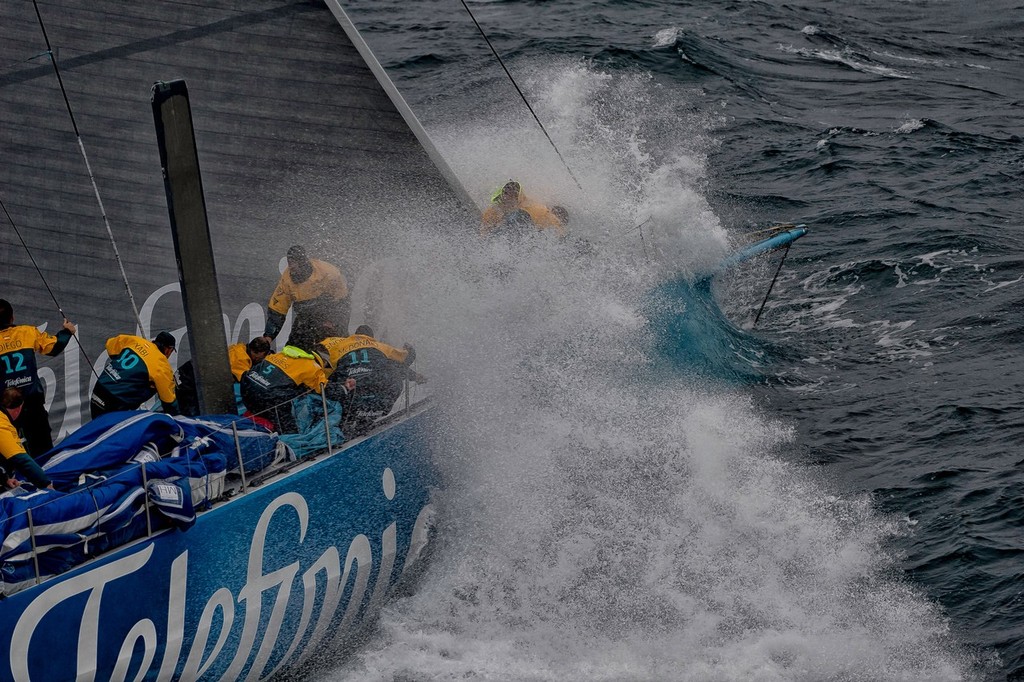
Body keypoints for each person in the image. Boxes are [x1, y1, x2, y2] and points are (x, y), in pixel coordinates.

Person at [0, 299, 77, 457]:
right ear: (12, 318)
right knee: (42, 450)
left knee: (7, 450)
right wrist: (67, 331)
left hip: (4, 407)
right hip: (32, 401)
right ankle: (45, 479)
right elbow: (53, 348)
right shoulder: (28, 332)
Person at [320, 325, 426, 437]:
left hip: (352, 390)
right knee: (393, 374)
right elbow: (403, 360)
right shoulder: (379, 346)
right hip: (374, 386)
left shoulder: (339, 345)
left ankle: (348, 418)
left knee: (336, 383)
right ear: (371, 336)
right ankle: (373, 414)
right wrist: (410, 352)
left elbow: (328, 369)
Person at [239, 343, 345, 433]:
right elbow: (324, 389)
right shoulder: (313, 366)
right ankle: (290, 448)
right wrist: (344, 388)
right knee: (288, 427)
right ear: (323, 361)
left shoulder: (283, 353)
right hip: (267, 398)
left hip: (246, 388)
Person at [263, 245, 349, 351]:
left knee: (335, 347)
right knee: (292, 348)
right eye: (289, 263)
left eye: (294, 263)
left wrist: (334, 323)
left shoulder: (329, 273)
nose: (291, 267)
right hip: (305, 317)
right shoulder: (286, 281)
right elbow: (277, 311)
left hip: (329, 316)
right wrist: (268, 337)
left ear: (303, 262)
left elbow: (343, 303)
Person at [91, 331, 179, 418]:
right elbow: (169, 401)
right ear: (168, 350)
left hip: (98, 390)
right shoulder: (162, 365)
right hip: (116, 401)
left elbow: (110, 345)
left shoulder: (136, 340)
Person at [176, 337, 271, 416]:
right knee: (190, 416)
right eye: (261, 357)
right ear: (258, 354)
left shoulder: (239, 347)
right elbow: (248, 383)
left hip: (189, 371)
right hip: (191, 380)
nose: (260, 360)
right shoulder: (241, 361)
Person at [0, 388, 53, 489]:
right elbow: (21, 460)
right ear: (18, 409)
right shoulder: (2, 425)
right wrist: (46, 484)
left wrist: (4, 479)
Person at [480, 180, 567, 237]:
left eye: (513, 194)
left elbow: (557, 231)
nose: (507, 197)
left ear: (518, 196)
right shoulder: (492, 212)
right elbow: (484, 234)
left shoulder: (536, 210)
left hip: (527, 240)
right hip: (500, 241)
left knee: (519, 215)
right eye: (506, 192)